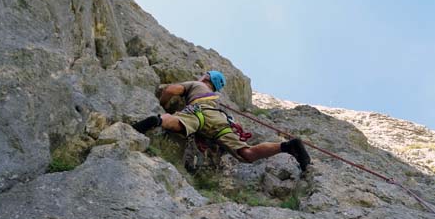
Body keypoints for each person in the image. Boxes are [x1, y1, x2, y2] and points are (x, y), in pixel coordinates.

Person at [132, 70, 311, 171]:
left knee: (176, 122)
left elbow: (171, 90)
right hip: (220, 122)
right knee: (246, 154)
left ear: (207, 78)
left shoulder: (197, 85)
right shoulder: (216, 99)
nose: (200, 76)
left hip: (198, 112)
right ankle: (288, 146)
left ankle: (155, 121)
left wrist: (161, 104)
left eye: (203, 75)